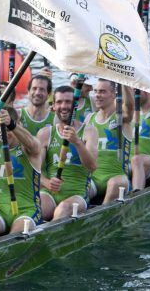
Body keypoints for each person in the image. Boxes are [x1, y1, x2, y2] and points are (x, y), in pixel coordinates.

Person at [38, 86, 98, 221]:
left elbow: (92, 166)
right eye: (59, 102)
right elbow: (36, 171)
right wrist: (47, 182)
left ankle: (49, 239)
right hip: (49, 192)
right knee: (37, 209)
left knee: (63, 209)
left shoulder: (89, 131)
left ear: (75, 105)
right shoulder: (44, 134)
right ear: (53, 106)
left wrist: (77, 142)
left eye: (68, 102)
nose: (63, 106)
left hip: (77, 195)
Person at [0, 107, 45, 235]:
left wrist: (10, 124)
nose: (5, 134)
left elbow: (34, 146)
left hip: (27, 210)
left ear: (17, 124)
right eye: (1, 129)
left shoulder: (28, 147)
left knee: (16, 235)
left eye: (8, 130)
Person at [86, 78, 131, 204]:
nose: (97, 95)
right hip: (93, 178)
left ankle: (103, 216)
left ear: (114, 95)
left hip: (117, 177)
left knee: (114, 183)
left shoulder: (122, 117)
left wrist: (124, 81)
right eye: (95, 91)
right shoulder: (90, 118)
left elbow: (129, 106)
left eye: (102, 91)